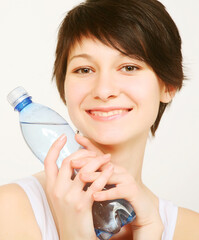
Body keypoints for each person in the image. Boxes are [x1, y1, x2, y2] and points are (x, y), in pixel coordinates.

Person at [0, 0, 199, 239]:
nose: (104, 91)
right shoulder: (8, 211)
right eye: (84, 70)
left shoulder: (189, 230)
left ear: (168, 85)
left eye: (128, 67)